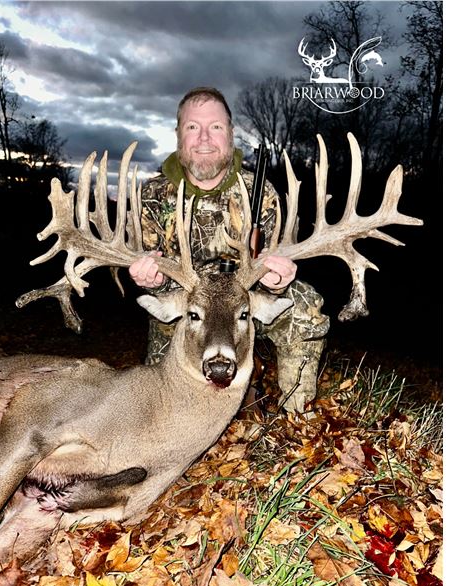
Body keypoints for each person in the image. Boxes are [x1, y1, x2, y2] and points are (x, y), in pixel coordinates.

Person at [128, 87, 329, 413]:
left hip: (243, 306)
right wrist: (153, 282)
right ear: (178, 135)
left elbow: (272, 262)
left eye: (216, 127)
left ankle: (297, 415)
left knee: (305, 305)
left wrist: (276, 281)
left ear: (231, 134)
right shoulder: (152, 195)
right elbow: (150, 270)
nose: (204, 138)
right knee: (163, 409)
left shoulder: (259, 192)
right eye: (193, 127)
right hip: (187, 315)